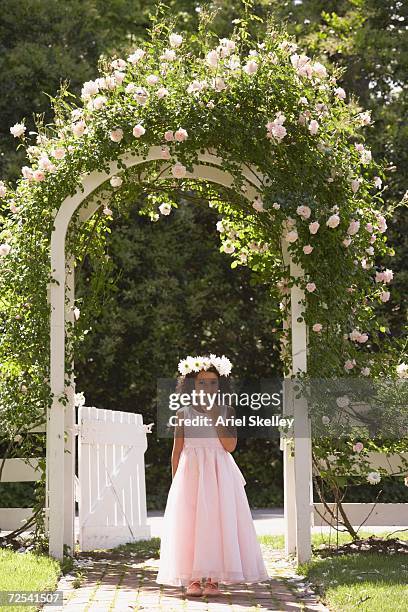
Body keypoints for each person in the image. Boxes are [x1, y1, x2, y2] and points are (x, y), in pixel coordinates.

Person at [155, 354, 270, 596]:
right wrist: (176, 484)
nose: (207, 387)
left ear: (221, 385)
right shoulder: (183, 413)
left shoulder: (227, 411)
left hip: (220, 476)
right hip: (192, 477)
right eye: (202, 382)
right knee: (193, 524)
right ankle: (194, 577)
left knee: (218, 522)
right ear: (191, 385)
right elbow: (177, 452)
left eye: (213, 383)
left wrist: (215, 415)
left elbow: (229, 446)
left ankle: (214, 578)